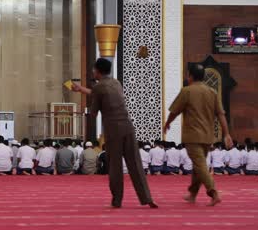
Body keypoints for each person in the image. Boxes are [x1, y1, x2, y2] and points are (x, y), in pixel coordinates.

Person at [72, 58, 157, 208]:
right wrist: (81, 89)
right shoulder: (116, 83)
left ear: (97, 71)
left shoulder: (99, 87)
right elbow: (100, 92)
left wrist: (83, 115)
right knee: (135, 165)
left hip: (113, 131)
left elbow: (94, 112)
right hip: (128, 127)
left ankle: (117, 200)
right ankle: (147, 198)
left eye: (93, 69)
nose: (93, 71)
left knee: (115, 167)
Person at [164, 63, 233, 206]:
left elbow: (175, 111)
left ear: (190, 76)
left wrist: (167, 123)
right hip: (208, 136)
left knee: (200, 165)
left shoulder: (187, 91)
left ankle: (213, 191)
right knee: (198, 165)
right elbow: (221, 115)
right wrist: (226, 134)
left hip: (193, 135)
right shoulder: (212, 92)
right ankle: (192, 194)